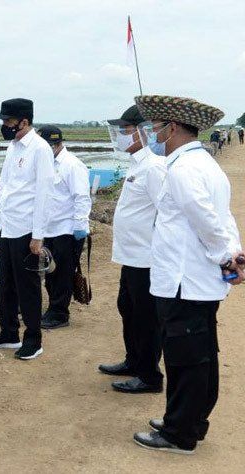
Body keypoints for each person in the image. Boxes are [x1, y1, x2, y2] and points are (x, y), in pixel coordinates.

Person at [132, 95, 243, 454]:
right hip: (194, 281)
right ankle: (188, 420)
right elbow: (222, 218)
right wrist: (233, 253)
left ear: (173, 128)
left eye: (155, 128)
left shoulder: (182, 169)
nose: (151, 134)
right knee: (200, 354)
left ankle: (179, 433)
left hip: (184, 281)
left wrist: (227, 257)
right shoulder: (203, 163)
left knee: (185, 359)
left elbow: (205, 219)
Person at [0, 98, 55, 360]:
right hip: (8, 227)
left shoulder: (40, 149)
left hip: (26, 229)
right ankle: (8, 333)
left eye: (8, 121)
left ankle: (33, 339)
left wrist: (38, 235)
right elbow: (5, 188)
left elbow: (44, 195)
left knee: (28, 286)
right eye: (3, 121)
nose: (5, 126)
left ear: (24, 121)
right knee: (6, 284)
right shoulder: (13, 147)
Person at [99, 105, 167, 394]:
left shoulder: (153, 167)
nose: (122, 136)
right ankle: (133, 360)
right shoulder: (137, 165)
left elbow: (166, 212)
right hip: (131, 257)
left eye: (126, 130)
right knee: (127, 308)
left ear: (144, 132)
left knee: (145, 318)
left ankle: (149, 376)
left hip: (146, 258)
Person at [37, 125, 91, 329]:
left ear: (55, 144)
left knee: (63, 273)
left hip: (67, 230)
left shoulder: (72, 165)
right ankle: (52, 308)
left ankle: (60, 314)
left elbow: (81, 197)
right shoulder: (47, 164)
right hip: (50, 229)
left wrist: (80, 226)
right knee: (50, 272)